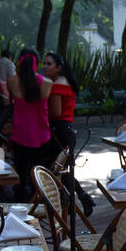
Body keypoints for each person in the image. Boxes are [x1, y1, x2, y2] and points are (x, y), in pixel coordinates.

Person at [41, 51, 96, 216]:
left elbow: (56, 112)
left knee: (57, 170)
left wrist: (41, 114)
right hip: (66, 130)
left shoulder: (58, 84)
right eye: (44, 63)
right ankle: (78, 199)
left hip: (60, 130)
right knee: (63, 170)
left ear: (58, 67)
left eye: (49, 63)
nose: (45, 66)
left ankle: (71, 201)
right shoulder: (65, 82)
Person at [7, 47, 52, 203]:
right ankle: (37, 205)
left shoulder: (12, 81)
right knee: (38, 175)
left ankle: (21, 204)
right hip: (41, 135)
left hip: (20, 135)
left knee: (20, 172)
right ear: (37, 63)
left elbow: (9, 101)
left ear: (19, 61)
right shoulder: (47, 83)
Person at [0, 48, 15, 147]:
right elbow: (13, 78)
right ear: (9, 57)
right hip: (6, 93)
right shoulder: (9, 63)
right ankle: (4, 140)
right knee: (4, 118)